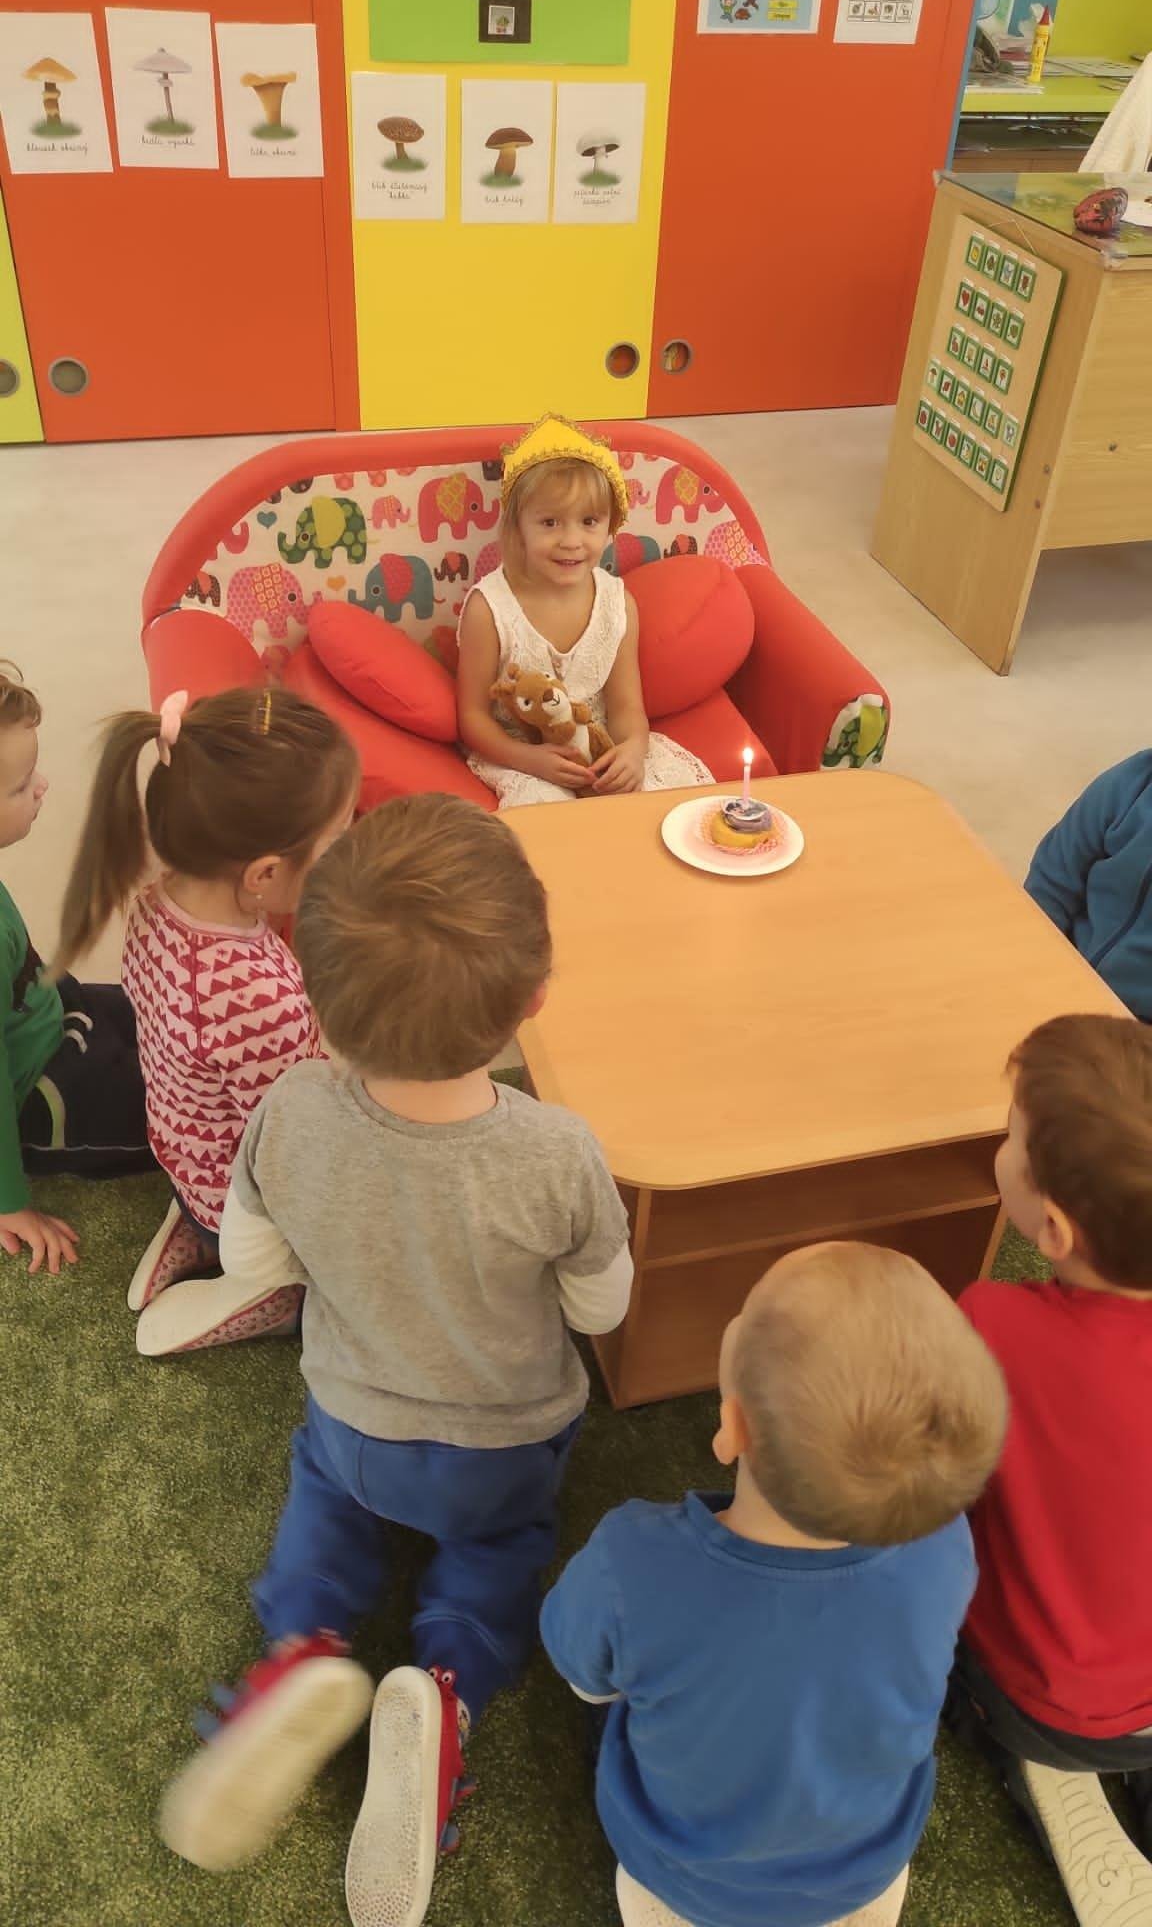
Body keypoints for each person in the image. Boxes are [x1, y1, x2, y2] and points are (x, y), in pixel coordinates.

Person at [153, 794, 633, 1927]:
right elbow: (602, 1302)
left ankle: (300, 1639)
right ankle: (446, 1682)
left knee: (321, 1502)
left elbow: (256, 1256)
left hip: (354, 1423)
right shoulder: (557, 1150)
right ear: (533, 1000)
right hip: (502, 1441)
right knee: (498, 1553)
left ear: (316, 998)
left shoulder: (288, 1110)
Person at [541, 1242, 1008, 1927]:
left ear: (732, 1429)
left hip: (678, 1878)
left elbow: (579, 1667)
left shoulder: (631, 1560)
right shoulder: (945, 1545)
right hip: (865, 1872)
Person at [53, 686, 359, 1344]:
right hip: (240, 1200)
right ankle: (267, 1294)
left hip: (185, 1151)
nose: (348, 845)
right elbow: (291, 1142)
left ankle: (195, 1225)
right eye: (337, 836)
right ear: (264, 875)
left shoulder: (155, 899)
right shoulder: (262, 1001)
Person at [948, 1015, 1152, 1919]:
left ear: (1054, 1228)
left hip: (1035, 1693)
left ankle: (1035, 1756)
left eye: (1010, 1139)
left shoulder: (993, 1323)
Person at [456, 413, 713, 809]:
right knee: (545, 813)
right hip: (521, 757)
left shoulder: (616, 603)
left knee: (664, 804)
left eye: (589, 521)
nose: (571, 540)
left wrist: (632, 751)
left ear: (610, 525)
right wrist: (529, 759)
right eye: (550, 522)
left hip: (597, 744)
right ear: (518, 527)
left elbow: (627, 707)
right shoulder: (488, 609)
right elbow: (472, 717)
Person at [0, 662, 153, 1275]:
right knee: (176, 1112)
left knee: (150, 1013)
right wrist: (10, 1203)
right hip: (41, 1091)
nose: (42, 787)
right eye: (20, 787)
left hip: (50, 1006)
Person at [1024, 750, 1152, 1021]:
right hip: (1058, 974)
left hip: (1137, 1026)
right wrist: (1036, 964)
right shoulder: (1132, 783)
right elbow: (1051, 880)